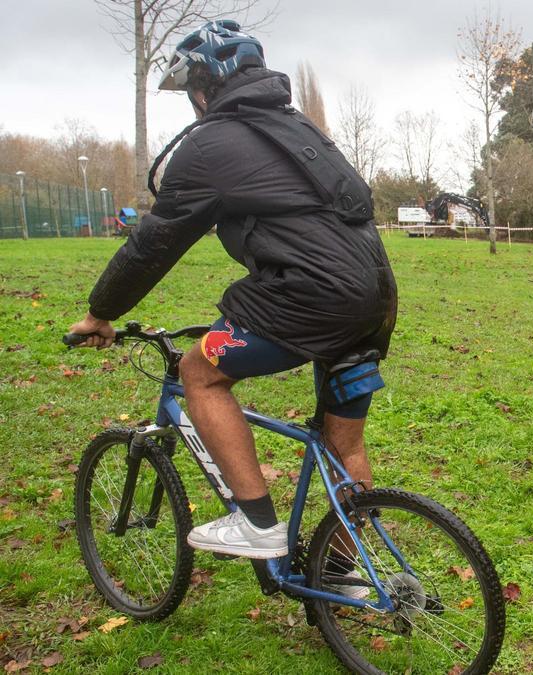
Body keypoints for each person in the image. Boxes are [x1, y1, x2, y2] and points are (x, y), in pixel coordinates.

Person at [69, 20, 397, 561]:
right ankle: (343, 571)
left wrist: (101, 311)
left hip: (312, 297)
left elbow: (155, 242)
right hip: (374, 298)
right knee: (345, 443)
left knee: (198, 372)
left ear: (203, 88)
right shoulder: (297, 129)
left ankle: (257, 522)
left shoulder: (210, 145)